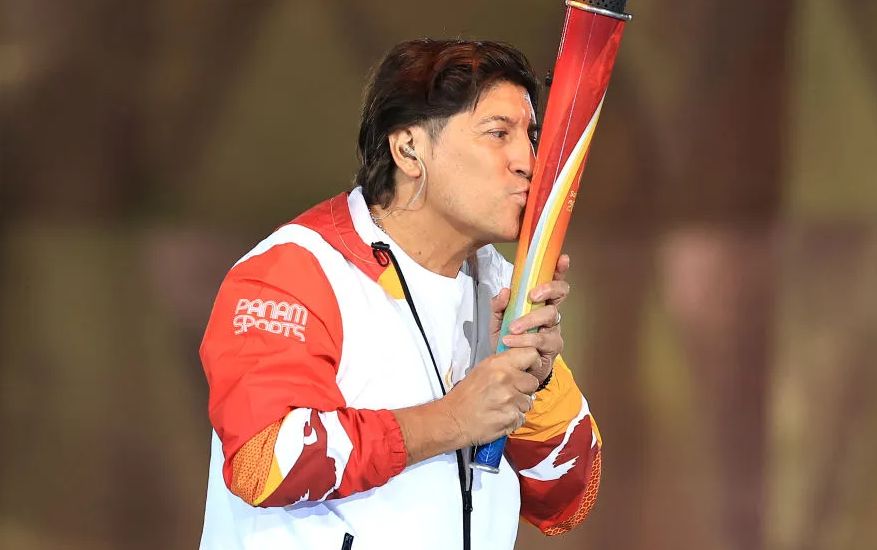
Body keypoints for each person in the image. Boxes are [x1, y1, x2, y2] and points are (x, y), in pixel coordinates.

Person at [198, 39, 602, 550]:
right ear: (409, 148)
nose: (529, 161)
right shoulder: (297, 270)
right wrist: (451, 421)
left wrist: (536, 386)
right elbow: (264, 462)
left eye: (531, 135)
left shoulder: (506, 285)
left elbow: (567, 501)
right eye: (498, 133)